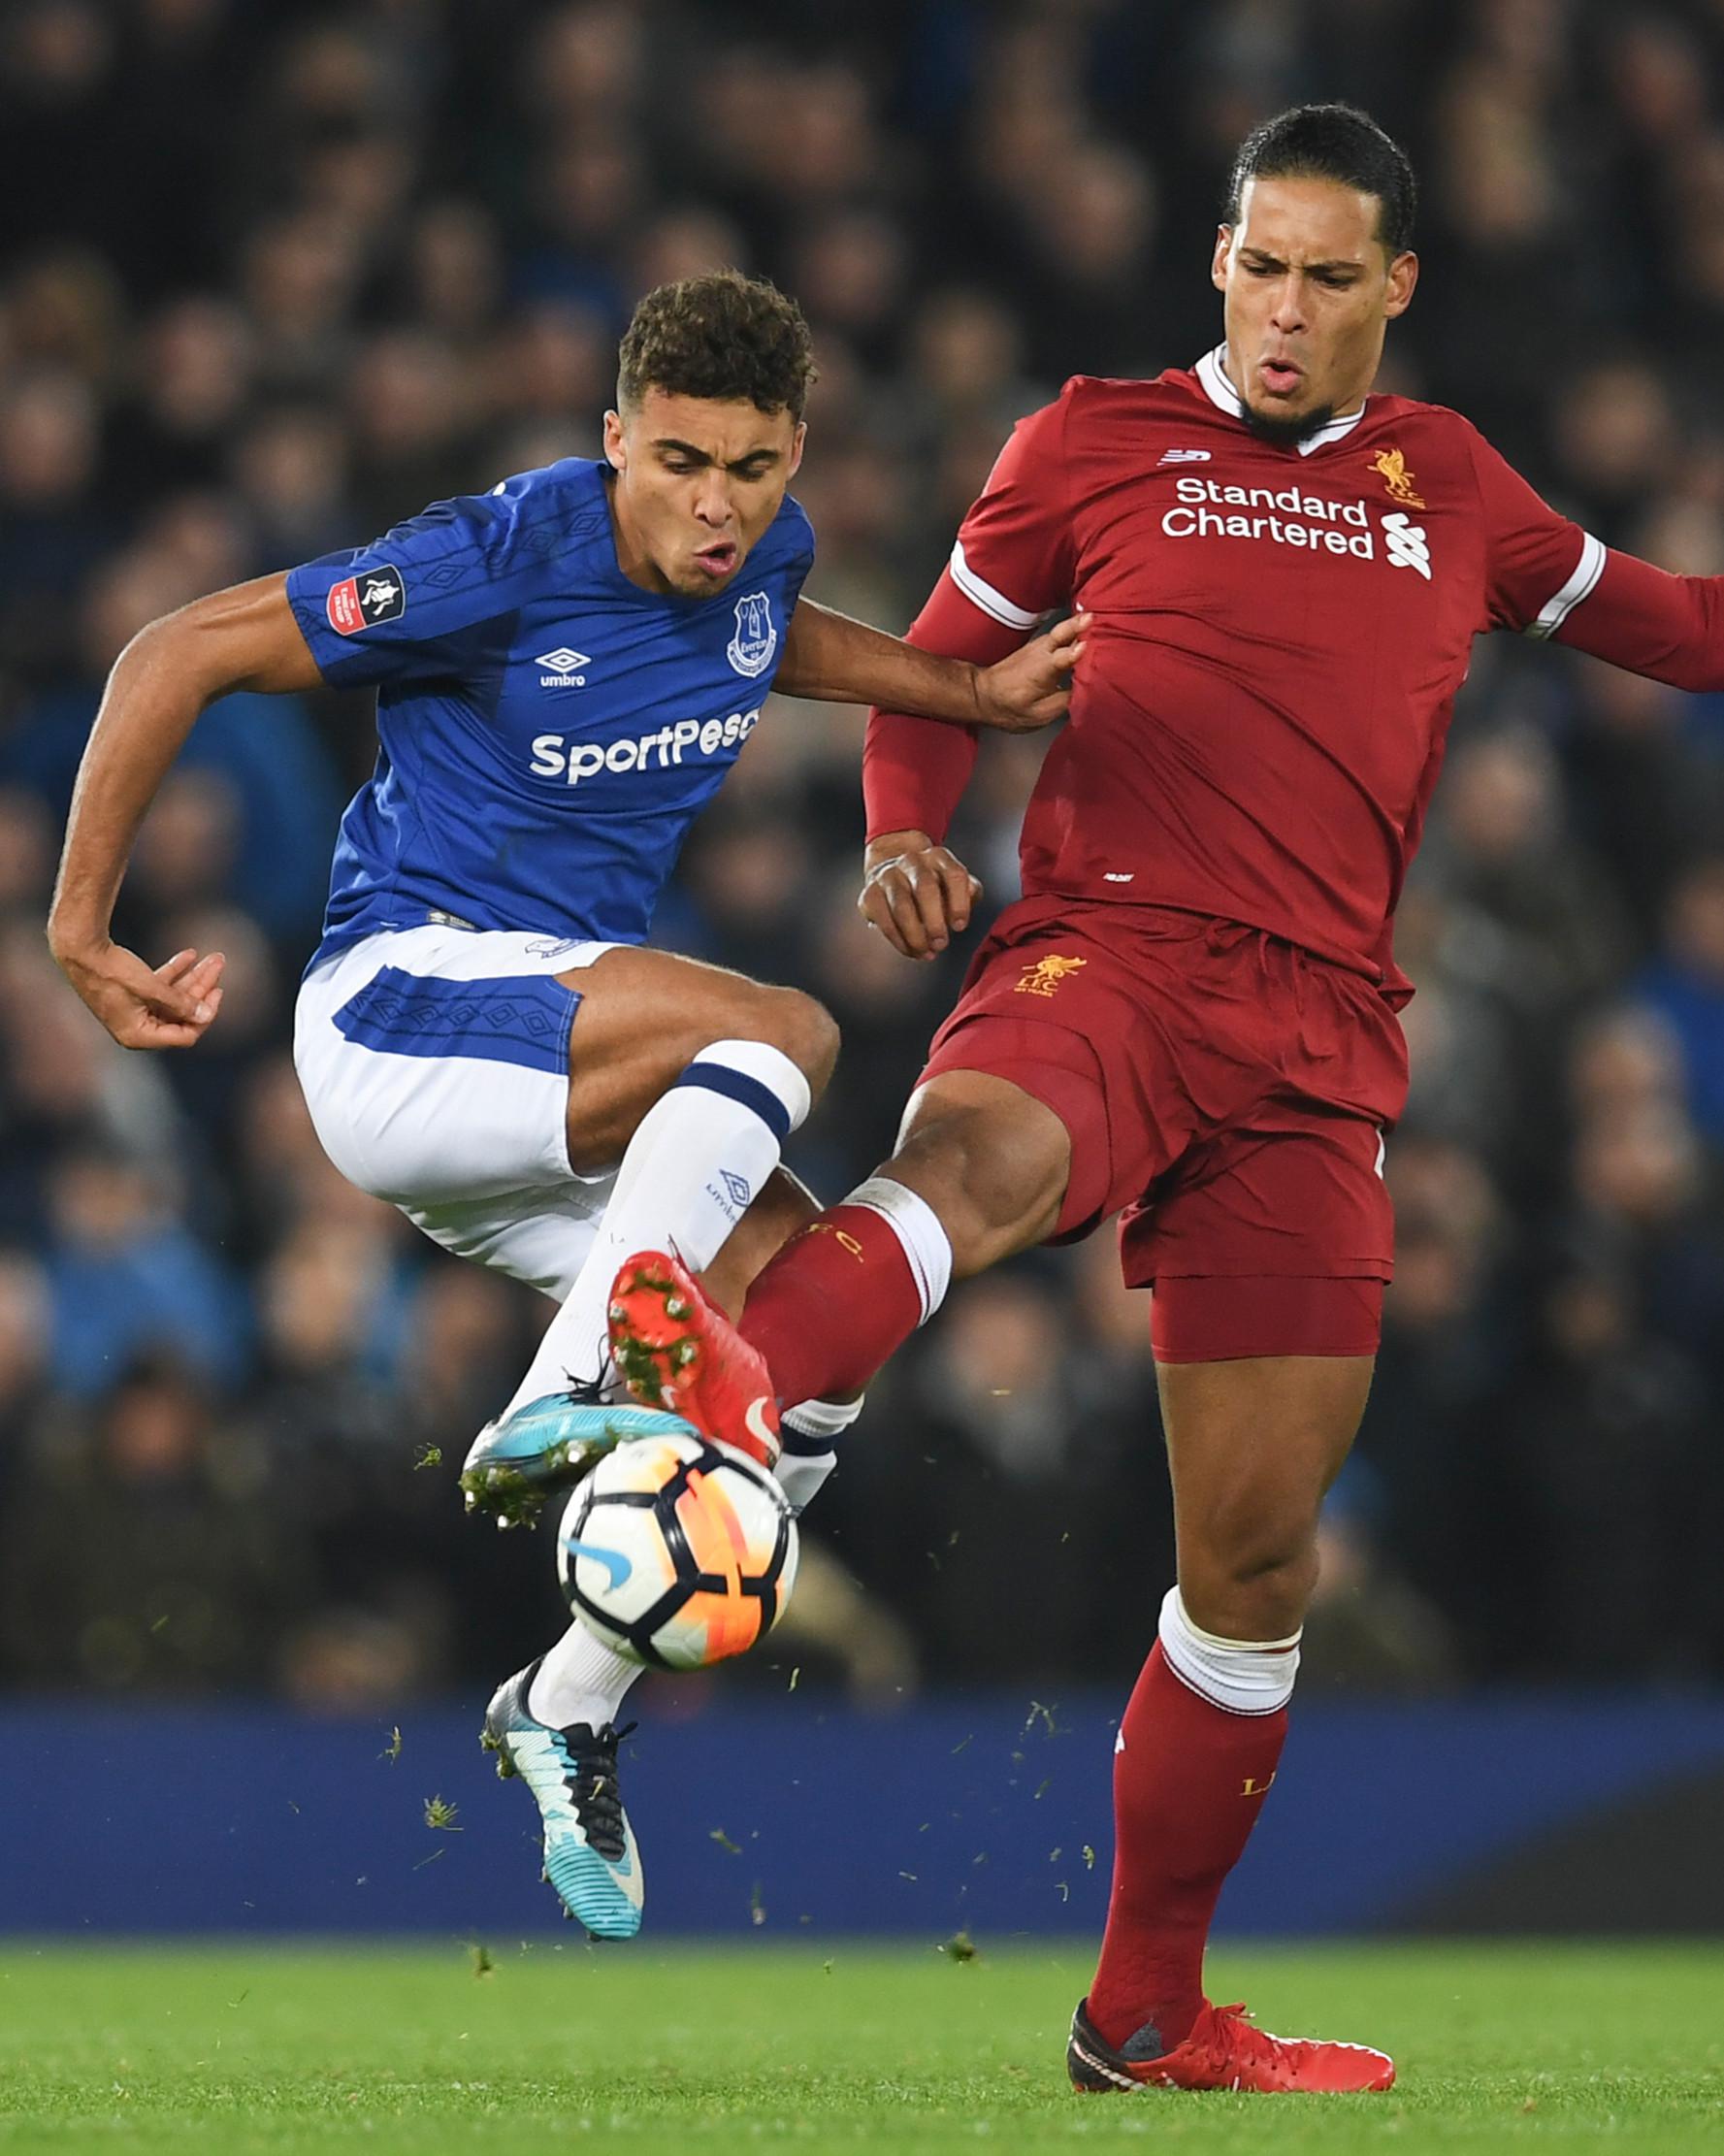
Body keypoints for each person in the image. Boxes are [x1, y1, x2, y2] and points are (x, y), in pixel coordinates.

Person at [598, 109, 1724, 2092]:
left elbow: (1682, 631)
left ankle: (1141, 2014)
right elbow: (933, 670)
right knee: (969, 1164)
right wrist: (900, 833)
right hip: (1108, 948)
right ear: (1216, 260)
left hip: (1319, 1044)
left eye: (1325, 277)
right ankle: (725, 1407)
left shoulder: (1450, 483)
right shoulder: (1088, 443)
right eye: (1256, 267)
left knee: (1257, 1569)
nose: (1283, 310)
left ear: (1394, 286)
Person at [46, 270, 1081, 1940]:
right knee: (784, 1029)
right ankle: (573, 1385)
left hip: (548, 1098)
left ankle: (567, 1701)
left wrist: (962, 692)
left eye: (750, 468)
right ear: (613, 440)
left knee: (820, 1315)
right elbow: (181, 648)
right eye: (678, 461)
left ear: (792, 457)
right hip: (402, 1008)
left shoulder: (768, 558)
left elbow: (765, 637)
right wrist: (79, 929)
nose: (715, 505)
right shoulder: (499, 553)